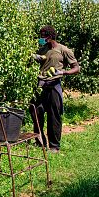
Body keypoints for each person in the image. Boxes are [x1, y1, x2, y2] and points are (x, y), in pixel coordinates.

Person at [30, 25, 80, 153]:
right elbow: (36, 60)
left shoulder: (64, 50)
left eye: (42, 36)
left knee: (54, 116)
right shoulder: (43, 49)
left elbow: (76, 68)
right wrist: (34, 57)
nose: (40, 38)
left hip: (54, 85)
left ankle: (54, 146)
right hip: (40, 85)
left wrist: (63, 72)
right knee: (36, 113)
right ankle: (39, 142)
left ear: (50, 37)